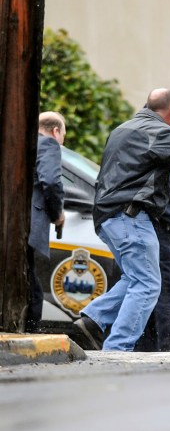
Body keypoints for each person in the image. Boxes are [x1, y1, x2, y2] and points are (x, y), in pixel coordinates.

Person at [74, 88, 170, 352]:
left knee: (134, 279)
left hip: (108, 217)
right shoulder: (156, 131)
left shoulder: (122, 129)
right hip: (130, 216)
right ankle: (118, 348)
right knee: (147, 283)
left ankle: (94, 319)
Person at [135, 167, 170, 351]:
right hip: (159, 231)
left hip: (147, 228)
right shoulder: (166, 158)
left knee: (148, 290)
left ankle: (144, 348)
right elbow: (164, 201)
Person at [26, 111, 66, 332]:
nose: (61, 142)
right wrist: (57, 213)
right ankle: (29, 332)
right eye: (63, 137)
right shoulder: (49, 144)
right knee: (33, 291)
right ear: (56, 131)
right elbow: (51, 181)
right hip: (28, 226)